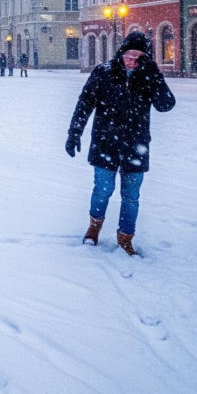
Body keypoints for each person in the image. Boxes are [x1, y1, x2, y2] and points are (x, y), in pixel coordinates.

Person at [66, 31, 176, 256]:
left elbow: (166, 104)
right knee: (102, 190)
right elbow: (85, 103)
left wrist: (153, 74)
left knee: (131, 196)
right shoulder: (103, 72)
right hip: (105, 143)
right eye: (129, 55)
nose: (131, 61)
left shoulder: (147, 76)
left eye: (138, 57)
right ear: (121, 52)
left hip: (136, 145)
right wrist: (74, 133)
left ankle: (125, 238)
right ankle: (94, 227)